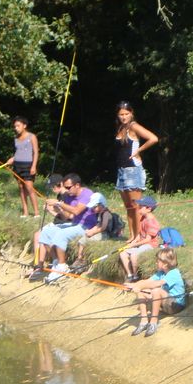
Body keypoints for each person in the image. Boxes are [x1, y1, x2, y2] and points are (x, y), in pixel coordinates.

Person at [30, 174, 97, 282]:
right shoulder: (69, 196)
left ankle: (62, 265)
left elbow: (76, 211)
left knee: (61, 234)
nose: (66, 190)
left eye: (68, 187)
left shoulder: (86, 194)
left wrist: (58, 203)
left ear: (77, 185)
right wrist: (59, 209)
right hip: (75, 223)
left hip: (86, 225)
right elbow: (69, 216)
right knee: (45, 232)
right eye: (65, 187)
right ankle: (56, 262)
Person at [115, 101, 159, 240]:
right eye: (121, 114)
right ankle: (132, 235)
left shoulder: (134, 126)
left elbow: (153, 138)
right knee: (128, 206)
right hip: (121, 170)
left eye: (126, 114)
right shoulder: (121, 128)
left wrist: (139, 150)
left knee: (136, 206)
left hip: (133, 170)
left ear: (132, 113)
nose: (124, 117)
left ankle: (139, 236)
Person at [124, 247, 185, 338]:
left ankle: (154, 322)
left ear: (165, 264)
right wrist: (133, 285)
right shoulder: (160, 273)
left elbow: (157, 284)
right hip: (164, 305)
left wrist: (141, 286)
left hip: (176, 306)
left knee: (156, 290)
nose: (156, 263)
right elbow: (147, 281)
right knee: (142, 290)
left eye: (158, 261)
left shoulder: (174, 273)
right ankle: (144, 321)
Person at [120, 196, 161, 282]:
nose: (138, 208)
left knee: (134, 255)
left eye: (140, 207)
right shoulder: (143, 218)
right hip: (141, 243)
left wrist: (134, 245)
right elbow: (139, 234)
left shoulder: (152, 222)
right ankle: (129, 274)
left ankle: (135, 276)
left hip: (150, 245)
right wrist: (133, 242)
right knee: (123, 253)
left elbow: (147, 239)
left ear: (148, 209)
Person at [5, 116, 39, 218]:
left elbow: (36, 152)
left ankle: (36, 213)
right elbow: (18, 152)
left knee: (29, 188)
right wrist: (12, 159)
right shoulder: (15, 138)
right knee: (21, 188)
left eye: (18, 126)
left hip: (28, 165)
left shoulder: (32, 136)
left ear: (24, 126)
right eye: (15, 126)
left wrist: (34, 166)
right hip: (17, 165)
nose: (16, 128)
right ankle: (25, 212)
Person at [71, 192, 114, 269]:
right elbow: (98, 225)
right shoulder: (99, 213)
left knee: (84, 241)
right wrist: (91, 231)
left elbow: (103, 227)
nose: (92, 209)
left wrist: (93, 232)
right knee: (82, 239)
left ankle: (81, 260)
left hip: (105, 234)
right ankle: (79, 258)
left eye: (94, 207)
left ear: (101, 205)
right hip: (100, 232)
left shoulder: (105, 214)